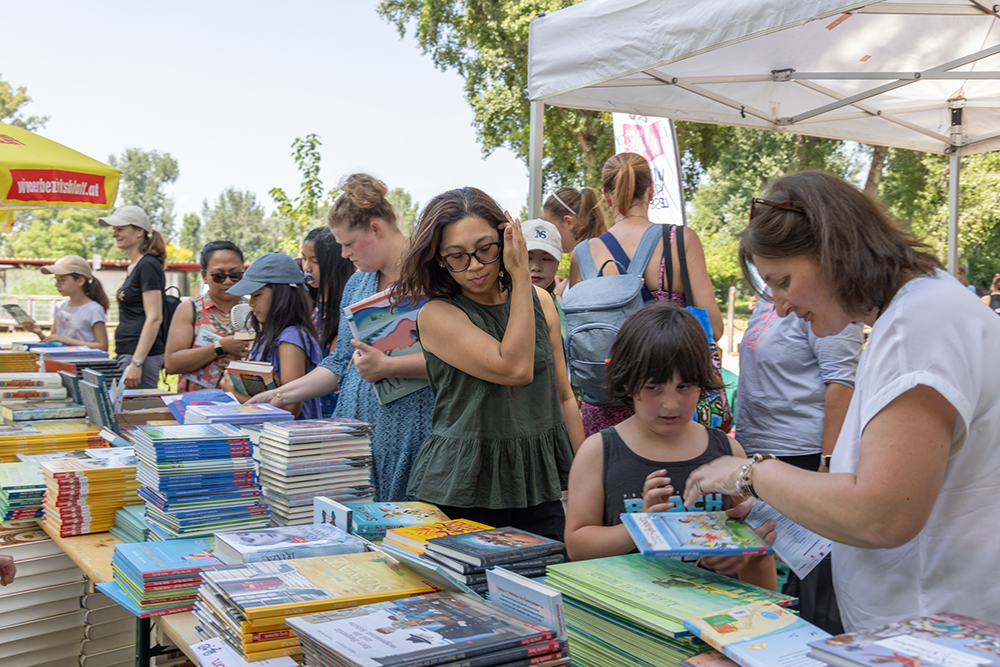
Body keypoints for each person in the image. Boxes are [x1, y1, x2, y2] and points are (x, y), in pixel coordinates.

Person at [684, 171, 1000, 631]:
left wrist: (751, 473)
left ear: (832, 251)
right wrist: (785, 501)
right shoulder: (919, 311)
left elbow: (882, 513)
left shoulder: (919, 323)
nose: (781, 305)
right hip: (924, 624)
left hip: (932, 626)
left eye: (784, 280)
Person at [392, 187, 584, 541]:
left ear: (504, 239)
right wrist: (521, 275)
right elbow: (515, 368)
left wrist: (587, 478)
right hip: (464, 486)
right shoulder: (437, 315)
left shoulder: (542, 303)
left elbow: (564, 396)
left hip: (536, 482)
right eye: (457, 256)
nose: (475, 266)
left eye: (485, 249)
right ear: (439, 260)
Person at [248, 174, 434, 502]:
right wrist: (277, 396)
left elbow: (460, 360)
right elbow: (338, 365)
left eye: (348, 244)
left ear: (376, 229)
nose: (345, 255)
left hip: (413, 435)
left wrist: (390, 367)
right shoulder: (358, 284)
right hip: (355, 437)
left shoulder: (434, 279)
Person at [564, 303, 775, 589]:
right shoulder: (598, 452)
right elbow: (577, 546)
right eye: (654, 387)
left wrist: (744, 553)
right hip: (632, 616)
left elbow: (757, 552)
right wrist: (641, 525)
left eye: (684, 386)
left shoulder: (728, 452)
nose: (671, 403)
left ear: (704, 381)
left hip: (715, 615)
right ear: (626, 382)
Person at [568, 152, 724, 437]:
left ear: (607, 195)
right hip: (669, 403)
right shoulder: (679, 240)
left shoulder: (583, 254)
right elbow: (712, 328)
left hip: (606, 407)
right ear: (651, 190)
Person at [736, 287, 864, 633]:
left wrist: (828, 462)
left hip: (805, 458)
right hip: (762, 457)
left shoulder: (823, 298)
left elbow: (843, 380)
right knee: (769, 574)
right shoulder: (768, 292)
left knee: (811, 589)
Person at [223, 253, 323, 420]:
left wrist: (234, 395)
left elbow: (290, 408)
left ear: (281, 294)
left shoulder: (291, 339)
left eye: (257, 295)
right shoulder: (269, 336)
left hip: (291, 441)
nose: (251, 303)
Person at [164, 241, 250, 391]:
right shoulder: (190, 310)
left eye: (235, 274)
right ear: (204, 275)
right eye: (219, 276)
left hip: (244, 405)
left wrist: (243, 362)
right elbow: (172, 364)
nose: (228, 281)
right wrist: (220, 347)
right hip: (196, 406)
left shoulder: (255, 310)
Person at [99, 206, 166, 389]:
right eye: (114, 230)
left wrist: (136, 363)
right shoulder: (135, 266)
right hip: (128, 352)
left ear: (139, 231)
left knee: (136, 413)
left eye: (120, 229)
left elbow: (154, 317)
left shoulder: (148, 265)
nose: (114, 234)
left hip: (141, 357)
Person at [301, 227, 354, 416]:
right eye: (304, 259)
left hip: (334, 415)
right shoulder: (310, 307)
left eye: (314, 261)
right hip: (307, 409)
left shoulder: (347, 311)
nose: (306, 267)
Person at [26, 255, 109, 350]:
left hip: (83, 363)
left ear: (80, 281)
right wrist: (38, 333)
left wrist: (66, 340)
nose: (57, 285)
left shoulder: (94, 309)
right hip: (60, 362)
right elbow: (54, 343)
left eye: (61, 280)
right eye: (56, 280)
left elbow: (102, 346)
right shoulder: (59, 307)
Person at [521, 218, 567, 337]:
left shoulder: (565, 311)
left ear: (557, 264)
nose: (536, 267)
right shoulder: (499, 308)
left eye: (546, 259)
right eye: (528, 258)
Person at [543, 186, 607, 254]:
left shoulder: (580, 259)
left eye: (550, 229)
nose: (547, 237)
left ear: (568, 222)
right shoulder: (605, 248)